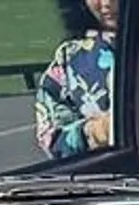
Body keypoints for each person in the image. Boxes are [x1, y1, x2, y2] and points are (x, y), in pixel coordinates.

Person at [34, 0, 118, 159]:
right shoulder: (69, 58)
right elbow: (50, 137)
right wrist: (95, 132)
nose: (107, 3)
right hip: (105, 179)